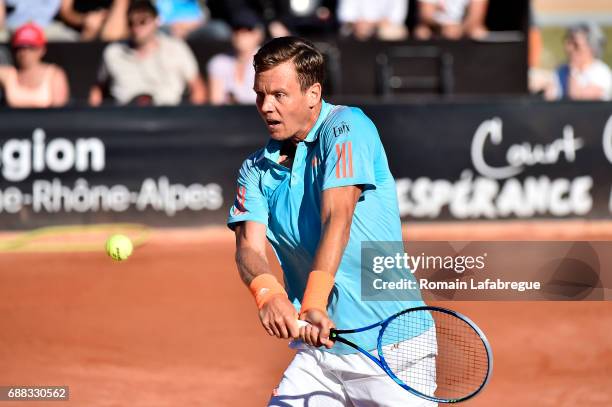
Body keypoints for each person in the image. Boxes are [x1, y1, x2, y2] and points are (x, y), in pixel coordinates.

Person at [227, 37, 434, 406]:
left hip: (394, 348)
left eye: (279, 95)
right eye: (260, 95)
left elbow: (336, 217)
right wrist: (268, 294)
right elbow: (248, 248)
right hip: (320, 354)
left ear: (313, 93)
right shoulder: (255, 169)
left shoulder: (347, 126)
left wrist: (313, 303)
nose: (266, 107)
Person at [89, 0, 206, 107]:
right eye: (131, 23)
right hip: (125, 118)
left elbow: (198, 89)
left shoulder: (176, 48)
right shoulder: (113, 52)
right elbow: (98, 90)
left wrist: (187, 120)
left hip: (169, 116)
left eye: (143, 22)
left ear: (157, 20)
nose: (137, 28)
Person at [0, 23, 69, 108]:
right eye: (20, 48)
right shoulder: (8, 74)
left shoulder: (54, 75)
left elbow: (59, 114)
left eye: (31, 47)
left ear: (42, 50)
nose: (24, 53)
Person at [207, 10, 264, 105]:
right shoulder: (218, 62)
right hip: (228, 117)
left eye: (248, 29)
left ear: (258, 34)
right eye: (237, 29)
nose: (241, 34)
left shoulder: (269, 61)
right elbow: (215, 103)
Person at [547, 23, 612, 101]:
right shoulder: (561, 70)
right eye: (568, 42)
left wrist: (573, 70)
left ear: (591, 48)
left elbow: (577, 97)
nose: (569, 49)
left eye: (576, 45)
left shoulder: (601, 72)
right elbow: (549, 97)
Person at [0, 0, 79, 42]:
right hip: (14, 27)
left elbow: (66, 12)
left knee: (76, 42)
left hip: (47, 28)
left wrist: (85, 20)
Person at [58, 0, 130, 41]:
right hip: (78, 27)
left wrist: (107, 17)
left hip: (114, 24)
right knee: (92, 24)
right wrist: (84, 19)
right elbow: (65, 11)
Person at [414, 0, 488, 40]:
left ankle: (472, 65)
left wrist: (459, 29)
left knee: (479, 32)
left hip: (463, 27)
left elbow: (475, 17)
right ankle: (426, 66)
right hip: (437, 27)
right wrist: (442, 27)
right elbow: (426, 14)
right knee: (422, 32)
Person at [337, 0, 408, 41]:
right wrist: (360, 26)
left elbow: (397, 18)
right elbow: (345, 16)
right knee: (346, 30)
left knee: (389, 32)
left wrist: (371, 26)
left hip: (385, 28)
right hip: (357, 28)